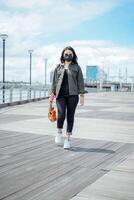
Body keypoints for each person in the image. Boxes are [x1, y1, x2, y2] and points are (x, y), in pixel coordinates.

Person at [49, 46, 85, 149]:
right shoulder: (58, 67)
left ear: (73, 56)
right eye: (66, 54)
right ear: (63, 55)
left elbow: (80, 82)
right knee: (61, 115)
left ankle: (68, 140)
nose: (68, 56)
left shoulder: (76, 67)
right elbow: (54, 82)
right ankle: (59, 132)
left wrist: (82, 96)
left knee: (70, 117)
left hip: (73, 96)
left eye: (70, 54)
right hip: (60, 95)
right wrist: (52, 94)